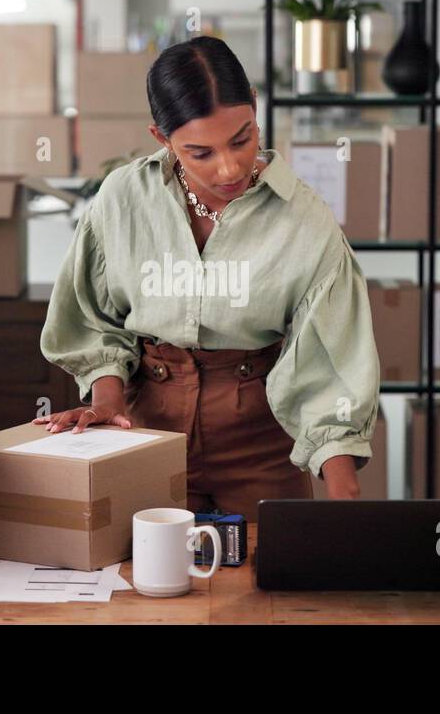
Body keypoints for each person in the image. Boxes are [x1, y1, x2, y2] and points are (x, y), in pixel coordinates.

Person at [35, 35, 380, 521]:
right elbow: (93, 317)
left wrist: (345, 493)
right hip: (142, 436)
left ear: (256, 107)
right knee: (141, 587)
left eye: (242, 139)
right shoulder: (123, 199)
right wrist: (105, 401)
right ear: (162, 138)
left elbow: (332, 363)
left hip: (261, 447)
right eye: (200, 152)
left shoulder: (305, 220)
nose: (229, 167)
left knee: (268, 592)